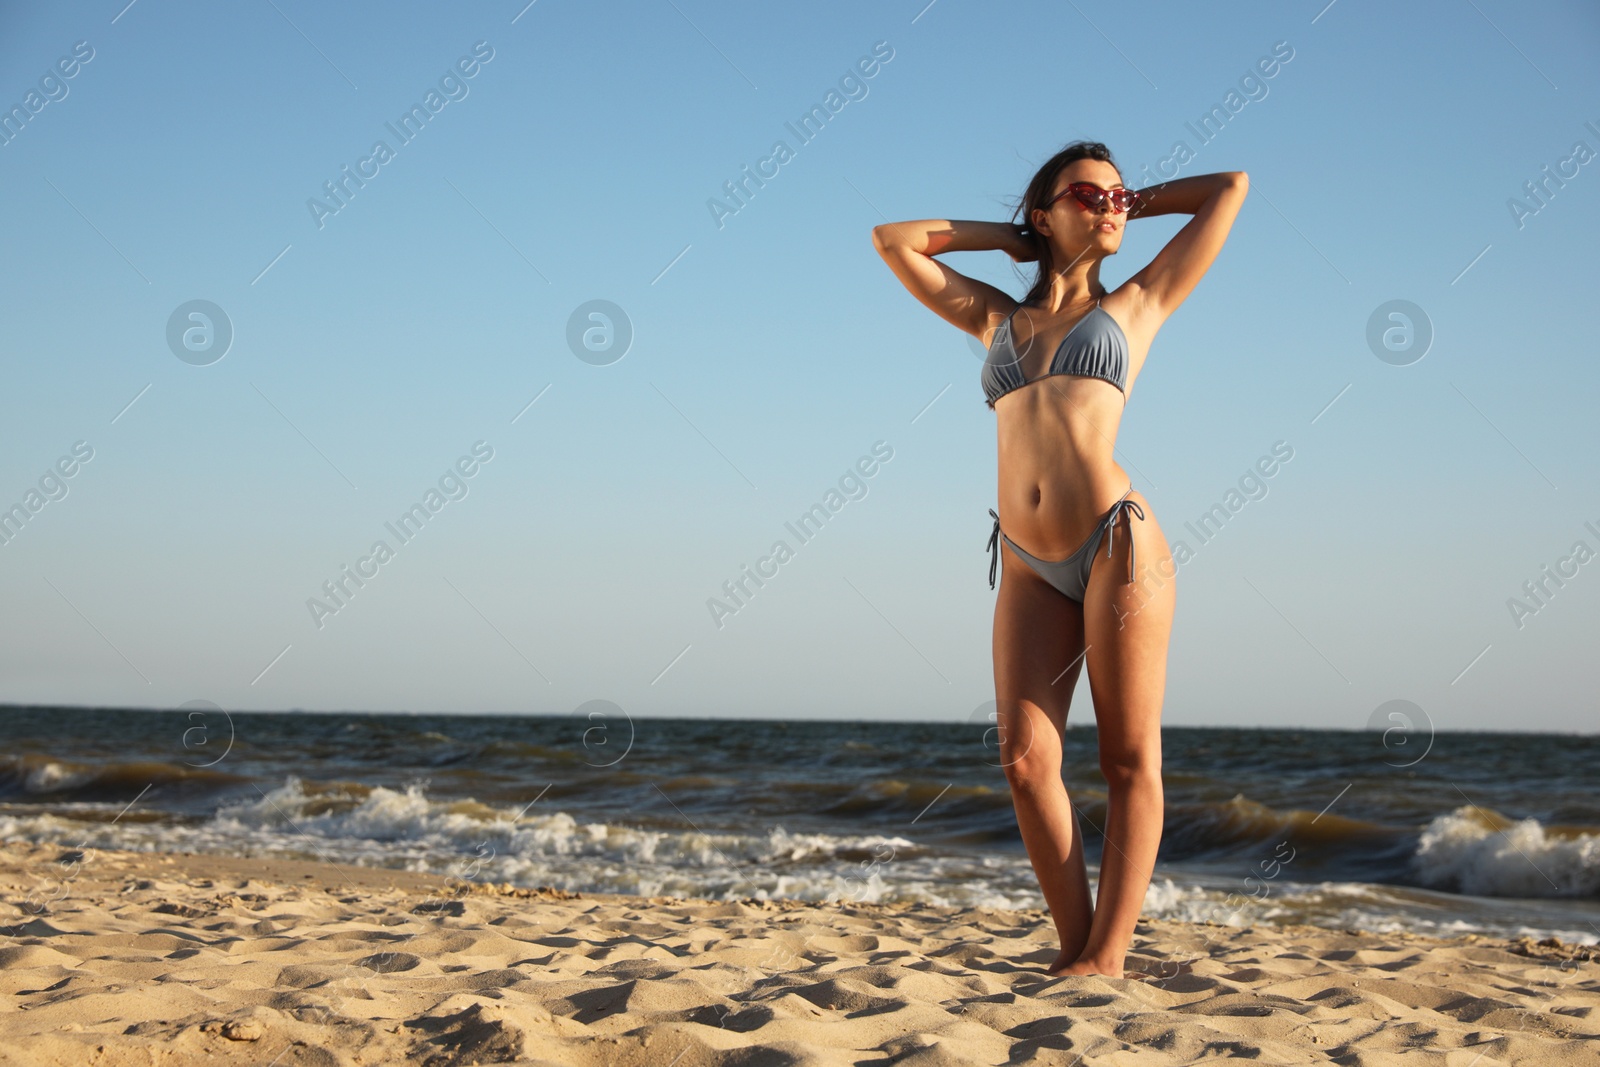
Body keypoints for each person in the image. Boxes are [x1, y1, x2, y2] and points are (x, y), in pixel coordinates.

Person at [871, 141, 1247, 978]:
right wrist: (1008, 241)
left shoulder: (1141, 302)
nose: (1111, 204)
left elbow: (1230, 187)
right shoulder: (997, 319)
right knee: (1023, 759)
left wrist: (1126, 207)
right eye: (1088, 193)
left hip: (1117, 541)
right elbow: (894, 239)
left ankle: (1107, 955)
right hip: (1026, 558)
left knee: (1125, 757)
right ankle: (1075, 946)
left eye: (1121, 196)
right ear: (1043, 212)